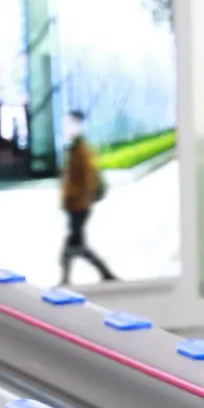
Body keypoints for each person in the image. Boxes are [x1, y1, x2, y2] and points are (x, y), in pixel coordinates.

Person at [59, 110, 116, 285]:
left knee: (75, 245)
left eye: (70, 124)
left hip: (79, 206)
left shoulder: (81, 150)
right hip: (76, 204)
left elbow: (88, 178)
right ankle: (102, 274)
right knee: (75, 244)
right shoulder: (75, 148)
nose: (66, 128)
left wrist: (80, 199)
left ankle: (104, 274)